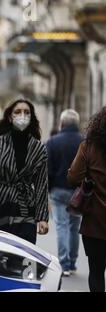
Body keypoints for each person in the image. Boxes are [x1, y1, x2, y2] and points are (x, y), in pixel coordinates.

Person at [0, 98, 49, 244]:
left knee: (25, 255)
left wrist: (42, 218)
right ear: (10, 116)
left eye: (27, 112)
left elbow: (41, 184)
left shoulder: (39, 148)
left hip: (25, 207)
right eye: (18, 112)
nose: (22, 115)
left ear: (31, 117)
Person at [68, 107, 106, 292]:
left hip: (95, 223)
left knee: (97, 272)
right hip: (95, 225)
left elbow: (74, 177)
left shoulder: (89, 146)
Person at [46, 109, 84, 276]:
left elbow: (47, 168)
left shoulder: (53, 142)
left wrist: (48, 190)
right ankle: (73, 262)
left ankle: (64, 264)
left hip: (58, 189)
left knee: (61, 226)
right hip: (79, 191)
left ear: (61, 124)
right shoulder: (85, 141)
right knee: (74, 227)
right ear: (77, 124)